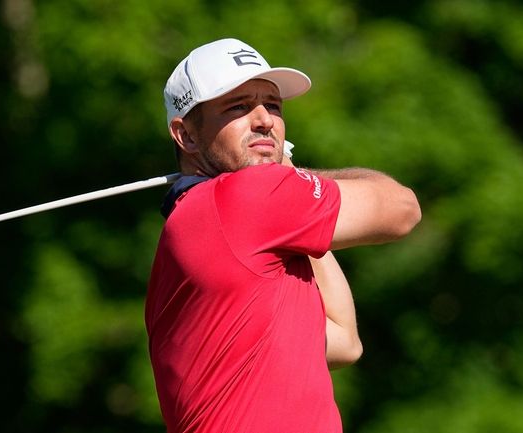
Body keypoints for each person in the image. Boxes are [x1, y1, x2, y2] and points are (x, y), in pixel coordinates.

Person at [146, 38, 421, 433]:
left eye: (272, 105)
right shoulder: (241, 198)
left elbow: (344, 340)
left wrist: (291, 189)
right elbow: (402, 208)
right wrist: (288, 178)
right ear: (186, 135)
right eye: (238, 107)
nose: (264, 121)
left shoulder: (197, 221)